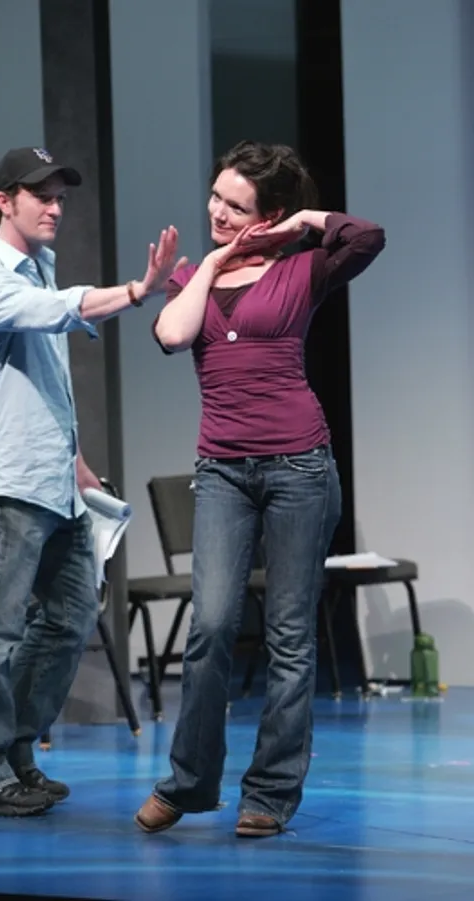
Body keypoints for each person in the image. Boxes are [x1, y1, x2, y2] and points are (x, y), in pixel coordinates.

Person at [135, 140, 386, 838]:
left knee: (288, 638)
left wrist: (302, 219)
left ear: (266, 214)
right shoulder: (196, 273)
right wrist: (213, 261)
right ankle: (189, 782)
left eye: (235, 205)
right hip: (222, 470)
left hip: (299, 466)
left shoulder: (304, 266)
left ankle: (270, 794)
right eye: (216, 196)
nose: (217, 210)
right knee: (211, 626)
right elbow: (168, 333)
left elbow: (368, 236)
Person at [0, 146, 184, 817]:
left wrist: (77, 462)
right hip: (11, 485)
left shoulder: (37, 266)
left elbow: (44, 382)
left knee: (70, 616)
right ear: (4, 200)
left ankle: (15, 750)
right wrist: (139, 291)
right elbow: (57, 312)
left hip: (56, 483)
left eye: (59, 197)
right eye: (40, 196)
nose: (55, 207)